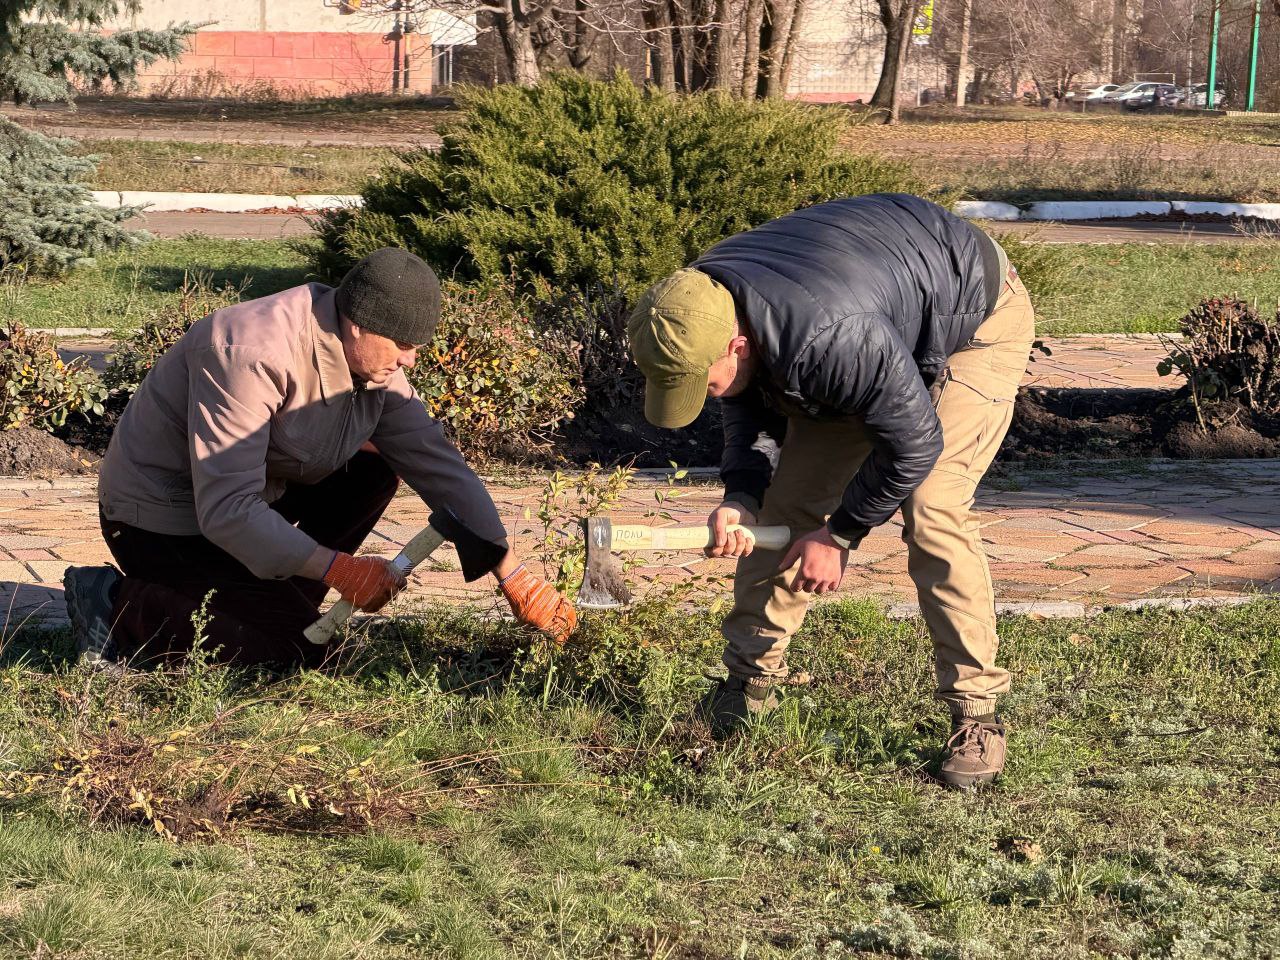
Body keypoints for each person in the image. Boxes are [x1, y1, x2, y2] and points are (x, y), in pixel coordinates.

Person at [627, 194, 1034, 789]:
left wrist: (839, 534)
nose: (709, 396)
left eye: (705, 383)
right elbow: (745, 406)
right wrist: (740, 496)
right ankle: (749, 681)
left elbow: (913, 445)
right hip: (869, 315)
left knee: (932, 506)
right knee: (785, 506)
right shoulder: (706, 306)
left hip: (975, 312)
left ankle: (976, 714)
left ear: (736, 346)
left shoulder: (828, 342)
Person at [64, 248, 576, 667]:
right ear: (357, 325)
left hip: (249, 506)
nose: (410, 360)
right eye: (401, 343)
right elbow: (226, 509)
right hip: (162, 521)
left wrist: (510, 570)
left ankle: (276, 597)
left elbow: (437, 462)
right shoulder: (249, 352)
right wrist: (340, 570)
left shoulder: (375, 366)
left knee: (374, 469)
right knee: (294, 648)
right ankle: (113, 603)